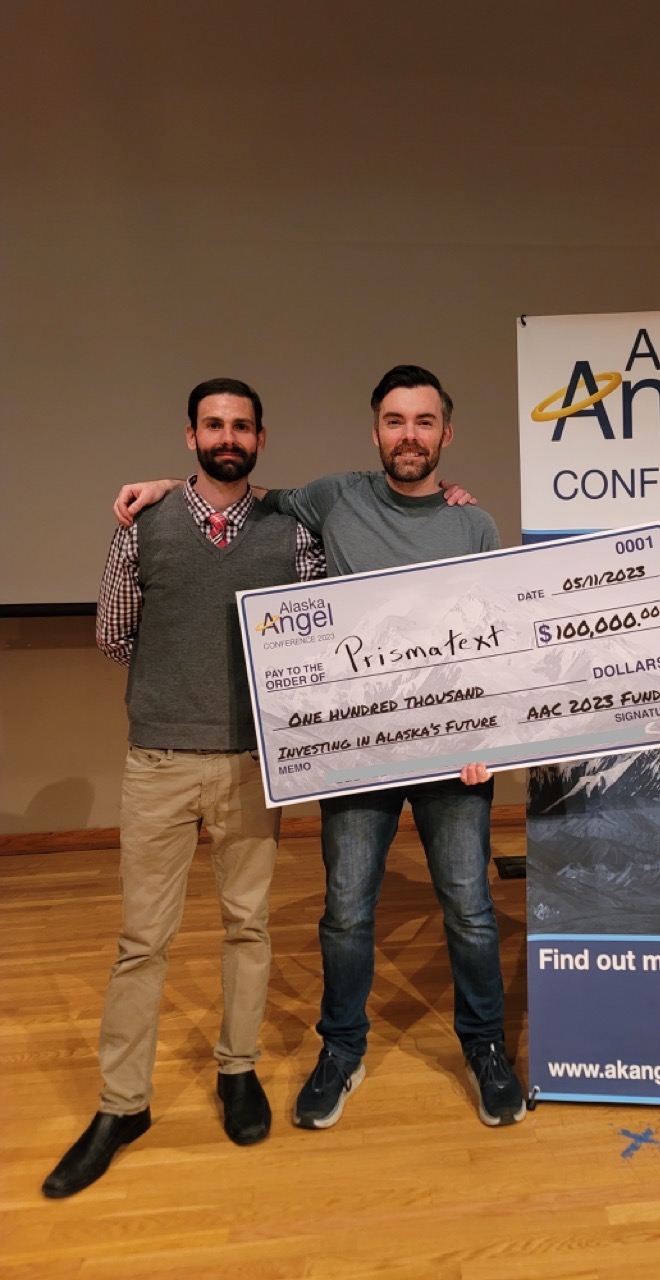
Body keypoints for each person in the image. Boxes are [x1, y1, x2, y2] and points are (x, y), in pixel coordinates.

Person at [113, 365, 526, 1130]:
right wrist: (167, 486)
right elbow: (234, 489)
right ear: (376, 432)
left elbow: (494, 647)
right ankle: (341, 1049)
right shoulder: (335, 497)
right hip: (358, 752)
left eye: (424, 421)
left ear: (447, 433)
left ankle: (485, 1048)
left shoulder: (475, 525)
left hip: (453, 755)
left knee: (471, 911)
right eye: (395, 421)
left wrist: (490, 739)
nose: (409, 435)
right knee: (345, 913)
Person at [42, 378, 326, 1199]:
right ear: (191, 436)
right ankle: (122, 1105)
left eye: (241, 426)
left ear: (260, 440)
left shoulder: (293, 531)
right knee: (142, 940)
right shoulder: (144, 522)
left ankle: (238, 1070)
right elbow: (112, 635)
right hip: (159, 762)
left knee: (247, 927)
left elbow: (319, 632)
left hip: (251, 764)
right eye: (213, 425)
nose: (227, 437)